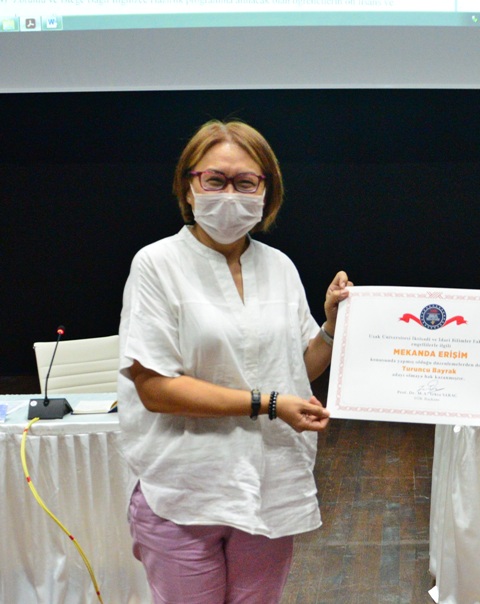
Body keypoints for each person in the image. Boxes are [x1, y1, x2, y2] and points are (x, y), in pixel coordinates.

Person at [117, 119, 351, 604]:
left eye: (246, 182)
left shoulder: (279, 266)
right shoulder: (156, 264)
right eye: (215, 180)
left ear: (267, 191)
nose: (230, 195)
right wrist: (269, 404)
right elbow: (155, 388)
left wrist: (331, 327)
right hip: (185, 490)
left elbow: (298, 367)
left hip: (268, 486)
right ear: (189, 186)